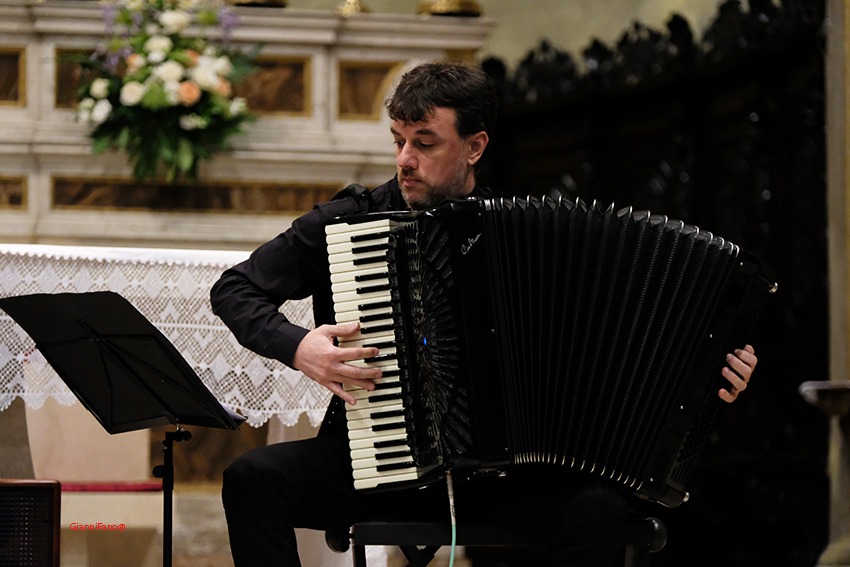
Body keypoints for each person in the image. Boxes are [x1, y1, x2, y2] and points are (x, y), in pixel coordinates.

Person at [210, 61, 759, 566]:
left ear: (475, 147)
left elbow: (631, 345)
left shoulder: (525, 238)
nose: (405, 159)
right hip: (375, 460)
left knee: (599, 508)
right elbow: (235, 289)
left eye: (425, 144)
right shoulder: (349, 222)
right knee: (253, 479)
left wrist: (713, 371)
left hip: (501, 474)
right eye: (398, 141)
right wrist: (301, 346)